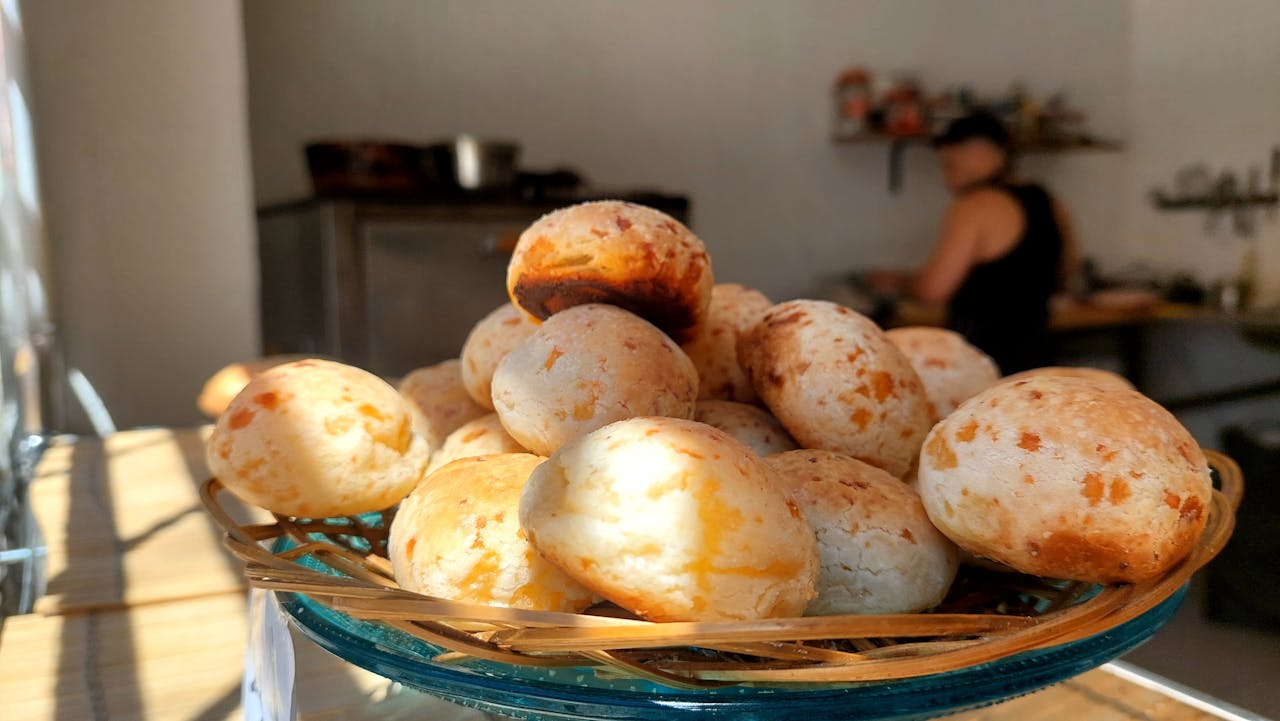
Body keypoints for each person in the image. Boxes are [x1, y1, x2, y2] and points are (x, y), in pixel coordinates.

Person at [873, 111, 1078, 374]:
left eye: (949, 165)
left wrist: (894, 281)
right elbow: (1068, 267)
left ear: (980, 152)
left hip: (984, 362)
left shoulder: (974, 205)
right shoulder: (1049, 201)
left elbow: (933, 290)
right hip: (1038, 357)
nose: (945, 179)